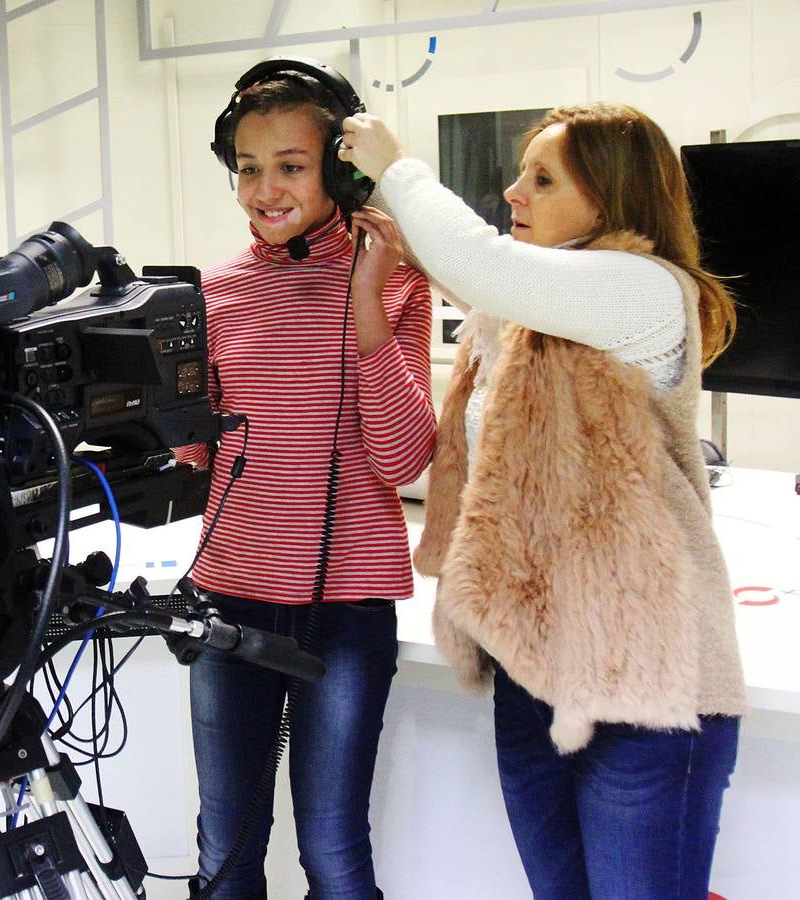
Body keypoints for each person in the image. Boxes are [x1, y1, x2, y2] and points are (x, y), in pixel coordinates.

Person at [339, 103, 745, 898]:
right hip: (534, 676)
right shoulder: (523, 320)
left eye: (542, 178)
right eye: (521, 172)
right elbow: (475, 276)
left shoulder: (646, 291)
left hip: (646, 689)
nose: (512, 190)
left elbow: (483, 265)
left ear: (609, 200)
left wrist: (397, 164)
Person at [174, 58, 435, 899]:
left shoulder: (396, 280)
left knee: (330, 852)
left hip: (344, 608)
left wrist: (362, 303)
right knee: (225, 854)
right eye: (248, 169)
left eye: (290, 165)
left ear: (341, 172)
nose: (264, 190)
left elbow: (402, 459)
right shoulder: (211, 293)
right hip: (228, 595)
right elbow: (200, 462)